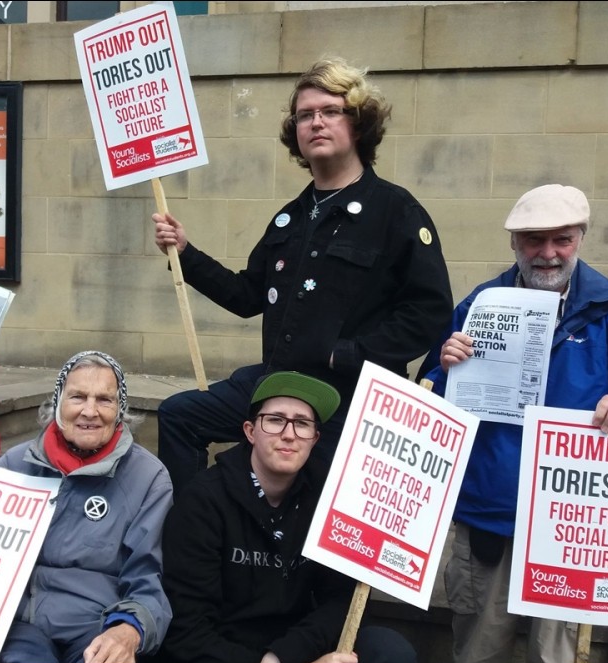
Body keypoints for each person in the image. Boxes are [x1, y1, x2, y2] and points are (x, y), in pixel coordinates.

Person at [152, 57, 453, 495]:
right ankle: (194, 530)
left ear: (358, 123)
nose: (316, 122)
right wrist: (185, 253)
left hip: (350, 398)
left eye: (331, 111)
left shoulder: (396, 211)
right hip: (276, 384)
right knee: (181, 416)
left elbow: (428, 312)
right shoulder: (290, 218)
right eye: (305, 115)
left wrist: (344, 354)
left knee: (312, 506)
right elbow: (246, 295)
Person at [417, 184, 608, 663]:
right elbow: (434, 397)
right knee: (478, 652)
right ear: (514, 243)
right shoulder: (481, 305)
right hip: (489, 516)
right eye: (534, 240)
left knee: (556, 657)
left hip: (571, 527)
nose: (548, 253)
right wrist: (444, 369)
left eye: (562, 239)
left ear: (580, 239)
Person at [158, 371, 418, 663]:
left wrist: (283, 657)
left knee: (388, 650)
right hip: (224, 651)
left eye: (302, 423)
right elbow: (188, 629)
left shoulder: (329, 497)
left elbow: (342, 599)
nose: (289, 434)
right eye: (275, 420)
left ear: (315, 439)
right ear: (250, 431)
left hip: (300, 646)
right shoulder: (202, 501)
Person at [0, 350, 173, 663]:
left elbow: (147, 577)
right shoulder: (14, 464)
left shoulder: (149, 478)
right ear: (58, 403)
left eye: (104, 400)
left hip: (97, 626)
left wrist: (129, 630)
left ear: (120, 409)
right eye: (78, 397)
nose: (90, 411)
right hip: (17, 626)